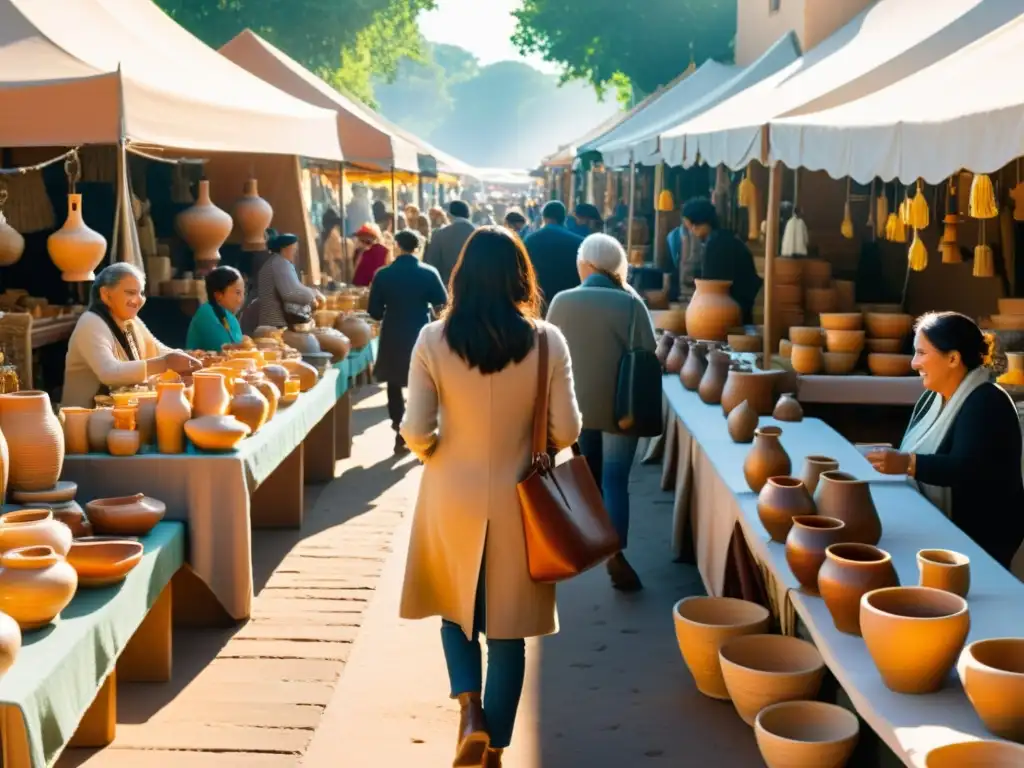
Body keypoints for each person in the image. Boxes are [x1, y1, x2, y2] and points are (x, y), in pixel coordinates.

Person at [400, 227, 582, 768]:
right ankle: (494, 750)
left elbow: (414, 428)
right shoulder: (547, 339)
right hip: (520, 499)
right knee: (509, 630)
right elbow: (568, 429)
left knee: (455, 612)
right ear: (520, 277)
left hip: (449, 490)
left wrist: (437, 452)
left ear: (460, 276)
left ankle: (470, 711)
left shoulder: (433, 339)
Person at [868, 312, 1024, 568]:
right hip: (937, 527)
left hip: (976, 543)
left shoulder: (987, 402)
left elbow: (967, 469)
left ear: (953, 358)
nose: (914, 363)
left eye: (921, 353)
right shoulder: (932, 398)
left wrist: (909, 463)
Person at [547, 233, 655, 591]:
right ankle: (616, 552)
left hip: (574, 408)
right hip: (622, 410)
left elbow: (547, 353)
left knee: (583, 474)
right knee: (614, 480)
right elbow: (647, 352)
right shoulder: (630, 303)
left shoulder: (562, 301)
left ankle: (579, 542)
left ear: (586, 265)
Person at [64, 263, 200, 407]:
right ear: (106, 295)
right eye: (130, 292)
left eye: (141, 293)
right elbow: (109, 372)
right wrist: (165, 363)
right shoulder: (91, 322)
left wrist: (189, 360)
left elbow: (157, 349)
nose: (138, 300)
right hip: (85, 420)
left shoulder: (131, 321)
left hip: (120, 415)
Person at [368, 229, 448, 454]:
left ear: (397, 246)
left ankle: (398, 431)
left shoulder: (383, 274)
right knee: (424, 384)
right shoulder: (429, 272)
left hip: (393, 332)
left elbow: (374, 312)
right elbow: (442, 305)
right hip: (421, 333)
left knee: (394, 384)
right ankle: (424, 431)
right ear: (417, 248)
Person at [681, 198, 762, 324]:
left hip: (733, 310)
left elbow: (711, 286)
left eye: (691, 226)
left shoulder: (716, 245)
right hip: (739, 305)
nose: (691, 231)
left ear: (700, 223)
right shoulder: (725, 237)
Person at [243, 230, 324, 333]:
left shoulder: (278, 262)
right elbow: (290, 293)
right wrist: (312, 294)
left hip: (271, 318)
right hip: (274, 320)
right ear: (285, 249)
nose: (295, 253)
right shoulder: (280, 264)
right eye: (294, 249)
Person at [523, 200, 583, 315]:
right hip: (568, 303)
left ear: (543, 217)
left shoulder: (530, 240)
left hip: (538, 302)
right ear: (563, 218)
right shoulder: (578, 242)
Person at [186, 266, 245, 351]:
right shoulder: (206, 314)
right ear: (218, 295)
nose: (242, 299)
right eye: (238, 293)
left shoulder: (230, 317)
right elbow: (222, 349)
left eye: (243, 293)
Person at [425, 199, 476, 286]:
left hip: (447, 287)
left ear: (449, 215)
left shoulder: (439, 234)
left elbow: (432, 263)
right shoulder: (479, 233)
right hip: (475, 287)